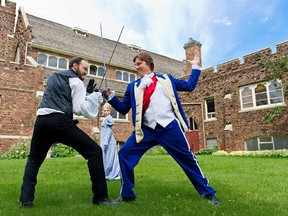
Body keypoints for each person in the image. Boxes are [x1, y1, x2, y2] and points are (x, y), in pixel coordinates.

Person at [103, 51, 221, 205]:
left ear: (148, 63)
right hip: (145, 130)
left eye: (139, 64)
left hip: (169, 127)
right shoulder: (132, 87)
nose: (136, 67)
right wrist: (110, 97)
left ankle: (208, 193)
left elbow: (190, 86)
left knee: (187, 159)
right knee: (124, 153)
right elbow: (124, 109)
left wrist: (196, 67)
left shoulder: (166, 79)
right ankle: (126, 195)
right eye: (135, 65)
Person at [19, 57, 115, 207]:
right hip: (60, 122)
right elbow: (79, 108)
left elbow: (64, 96)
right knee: (95, 152)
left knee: (34, 159)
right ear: (74, 65)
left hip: (42, 121)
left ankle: (26, 200)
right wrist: (97, 96)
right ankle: (101, 198)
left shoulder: (53, 76)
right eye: (84, 68)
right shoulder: (76, 82)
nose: (86, 72)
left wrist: (87, 92)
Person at [100, 103, 121, 180]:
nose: (105, 112)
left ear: (109, 111)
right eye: (104, 110)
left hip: (108, 141)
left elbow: (109, 131)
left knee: (109, 157)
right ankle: (106, 172)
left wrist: (105, 142)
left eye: (107, 110)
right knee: (106, 157)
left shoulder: (109, 118)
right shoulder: (106, 119)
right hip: (105, 140)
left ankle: (110, 173)